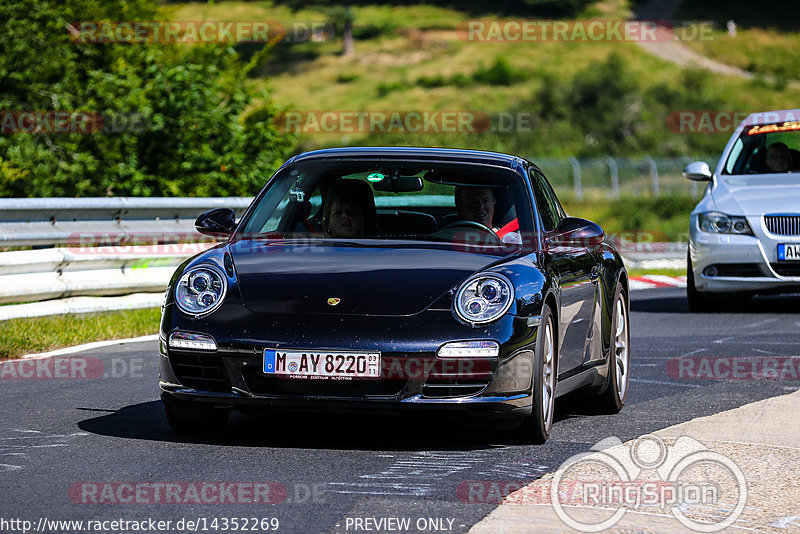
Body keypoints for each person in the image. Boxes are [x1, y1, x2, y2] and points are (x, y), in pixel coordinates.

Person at [454, 185, 521, 244]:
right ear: (459, 205)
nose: (480, 207)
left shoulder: (510, 240)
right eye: (472, 202)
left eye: (485, 201)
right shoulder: (447, 237)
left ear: (493, 203)